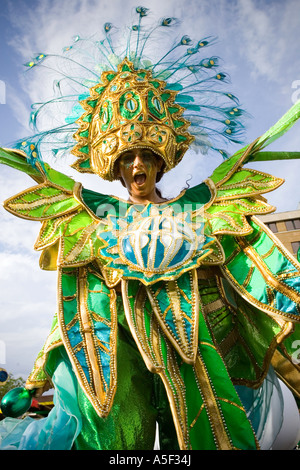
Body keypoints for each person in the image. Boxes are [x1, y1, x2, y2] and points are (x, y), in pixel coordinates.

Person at [0, 8, 300, 450]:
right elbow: (78, 308)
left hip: (199, 357)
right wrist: (41, 372)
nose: (137, 164)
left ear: (160, 162)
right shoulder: (96, 222)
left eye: (145, 155)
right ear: (117, 169)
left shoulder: (203, 211)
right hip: (125, 367)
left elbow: (256, 278)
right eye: (127, 158)